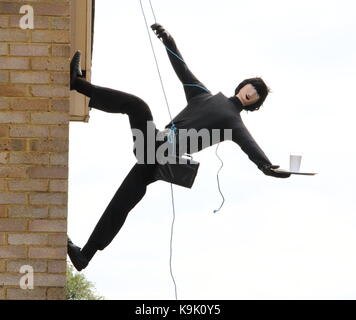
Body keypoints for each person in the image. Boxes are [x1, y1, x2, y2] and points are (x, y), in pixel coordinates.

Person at [67, 23, 290, 271]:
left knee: (123, 201)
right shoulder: (203, 95)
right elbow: (182, 68)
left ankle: (84, 256)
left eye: (257, 94)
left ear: (254, 104)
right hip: (152, 144)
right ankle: (76, 83)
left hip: (161, 157)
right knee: (138, 107)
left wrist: (266, 166)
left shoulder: (233, 123)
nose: (253, 92)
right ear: (242, 85)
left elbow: (250, 145)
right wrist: (168, 40)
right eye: (253, 87)